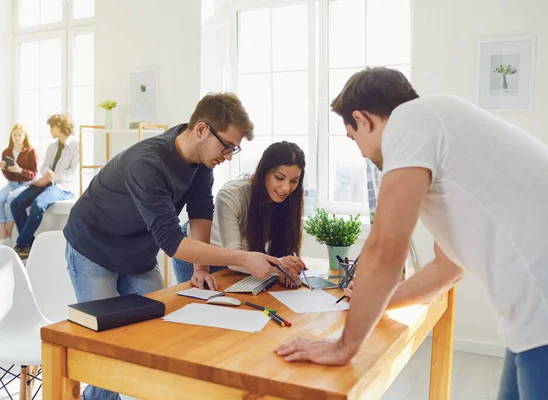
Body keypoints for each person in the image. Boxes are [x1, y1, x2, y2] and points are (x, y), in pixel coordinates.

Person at [274, 67, 548, 399]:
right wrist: (375, 303)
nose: (360, 152)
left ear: (364, 119)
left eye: (353, 137)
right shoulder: (443, 128)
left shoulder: (410, 120)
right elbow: (447, 268)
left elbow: (385, 249)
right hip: (530, 322)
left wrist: (343, 347)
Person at [63, 93, 303, 400]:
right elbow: (173, 242)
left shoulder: (202, 160)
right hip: (93, 249)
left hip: (137, 254)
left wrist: (200, 268)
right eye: (226, 146)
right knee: (107, 345)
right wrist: (243, 257)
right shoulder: (147, 164)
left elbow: (199, 212)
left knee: (157, 334)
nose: (228, 155)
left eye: (235, 148)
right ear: (202, 130)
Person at [172, 141, 307, 290]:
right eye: (279, 178)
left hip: (241, 261)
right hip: (204, 253)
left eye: (294, 181)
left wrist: (289, 269)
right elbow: (234, 256)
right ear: (264, 172)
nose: (286, 188)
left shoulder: (289, 201)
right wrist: (280, 266)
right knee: (198, 303)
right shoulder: (231, 195)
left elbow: (280, 252)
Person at [11, 114, 78, 259]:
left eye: (52, 127)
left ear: (60, 126)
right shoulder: (52, 146)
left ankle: (21, 244)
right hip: (46, 182)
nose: (50, 131)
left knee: (38, 205)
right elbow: (45, 165)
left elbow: (73, 172)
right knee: (16, 203)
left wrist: (52, 176)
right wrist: (46, 174)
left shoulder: (76, 145)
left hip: (63, 187)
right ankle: (29, 245)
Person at [0, 123, 38, 246]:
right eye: (14, 135)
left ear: (25, 136)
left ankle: (8, 235)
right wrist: (4, 169)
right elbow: (8, 176)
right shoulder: (6, 152)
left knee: (11, 198)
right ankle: (4, 237)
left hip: (26, 184)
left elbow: (33, 174)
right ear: (11, 136)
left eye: (19, 135)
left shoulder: (31, 152)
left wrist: (20, 170)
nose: (17, 137)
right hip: (11, 183)